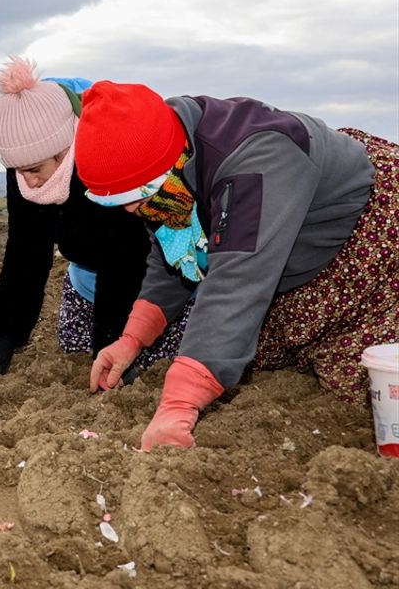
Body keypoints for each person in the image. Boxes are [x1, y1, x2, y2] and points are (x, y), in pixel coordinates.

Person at [74, 80, 398, 450]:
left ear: (169, 162)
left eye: (137, 196)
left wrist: (179, 404)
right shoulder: (170, 171)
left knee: (365, 387)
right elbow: (173, 254)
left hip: (370, 236)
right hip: (278, 260)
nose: (132, 210)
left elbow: (236, 282)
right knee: (253, 361)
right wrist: (131, 340)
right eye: (119, 203)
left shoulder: (258, 159)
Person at [0, 56, 189, 375]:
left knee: (146, 361)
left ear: (64, 150)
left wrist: (111, 341)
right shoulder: (26, 165)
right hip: (87, 276)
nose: (29, 180)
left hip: (152, 277)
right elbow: (26, 249)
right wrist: (2, 334)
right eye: (18, 171)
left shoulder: (106, 154)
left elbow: (125, 257)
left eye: (34, 170)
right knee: (74, 345)